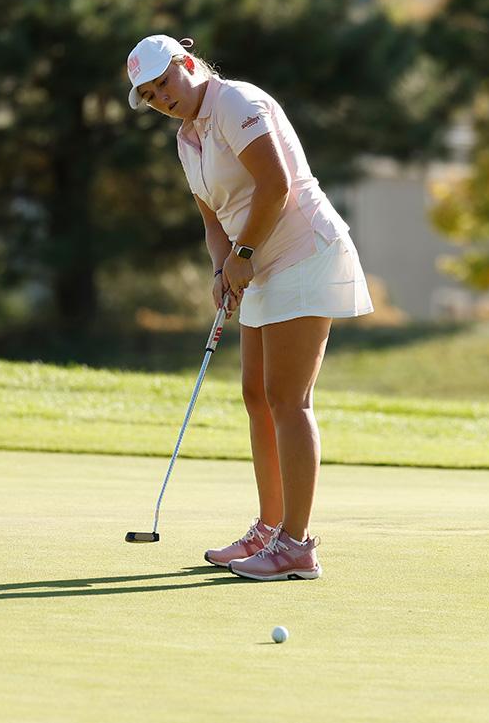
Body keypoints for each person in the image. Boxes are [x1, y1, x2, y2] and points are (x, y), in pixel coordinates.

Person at [126, 34, 373, 581]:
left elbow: (276, 185)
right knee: (256, 396)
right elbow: (213, 219)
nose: (161, 97)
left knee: (288, 397)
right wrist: (223, 270)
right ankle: (269, 527)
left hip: (302, 252)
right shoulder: (187, 139)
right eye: (149, 94)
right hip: (257, 260)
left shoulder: (237, 102)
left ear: (187, 63)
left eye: (165, 82)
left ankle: (297, 545)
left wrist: (242, 255)